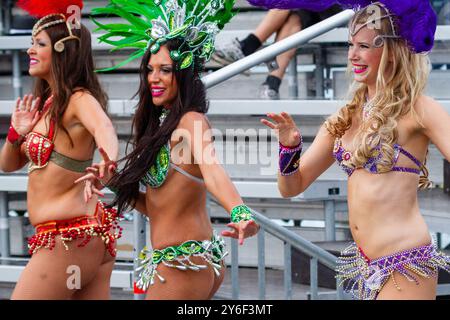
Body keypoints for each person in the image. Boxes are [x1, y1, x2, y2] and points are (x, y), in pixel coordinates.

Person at [253, 0, 450, 299]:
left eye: (363, 46)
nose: (352, 55)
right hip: (365, 268)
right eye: (350, 45)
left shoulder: (418, 109)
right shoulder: (345, 117)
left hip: (407, 264)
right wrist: (289, 148)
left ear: (392, 51)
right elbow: (291, 187)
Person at [79, 0, 260, 299]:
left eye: (165, 70)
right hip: (180, 262)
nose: (153, 78)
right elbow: (157, 207)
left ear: (184, 72)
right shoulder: (160, 125)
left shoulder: (191, 121)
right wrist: (112, 182)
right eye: (150, 69)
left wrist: (239, 211)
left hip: (182, 264)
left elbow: (213, 170)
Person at [0, 0, 121, 299]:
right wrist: (16, 134)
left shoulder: (79, 99)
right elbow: (7, 165)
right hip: (77, 238)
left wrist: (106, 162)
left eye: (38, 43)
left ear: (60, 51)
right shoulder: (45, 104)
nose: (29, 50)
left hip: (69, 237)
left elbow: (104, 129)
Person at [212, 6, 341, 99]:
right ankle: (271, 84)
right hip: (311, 10)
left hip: (343, 9)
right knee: (293, 19)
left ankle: (247, 47)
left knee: (289, 4)